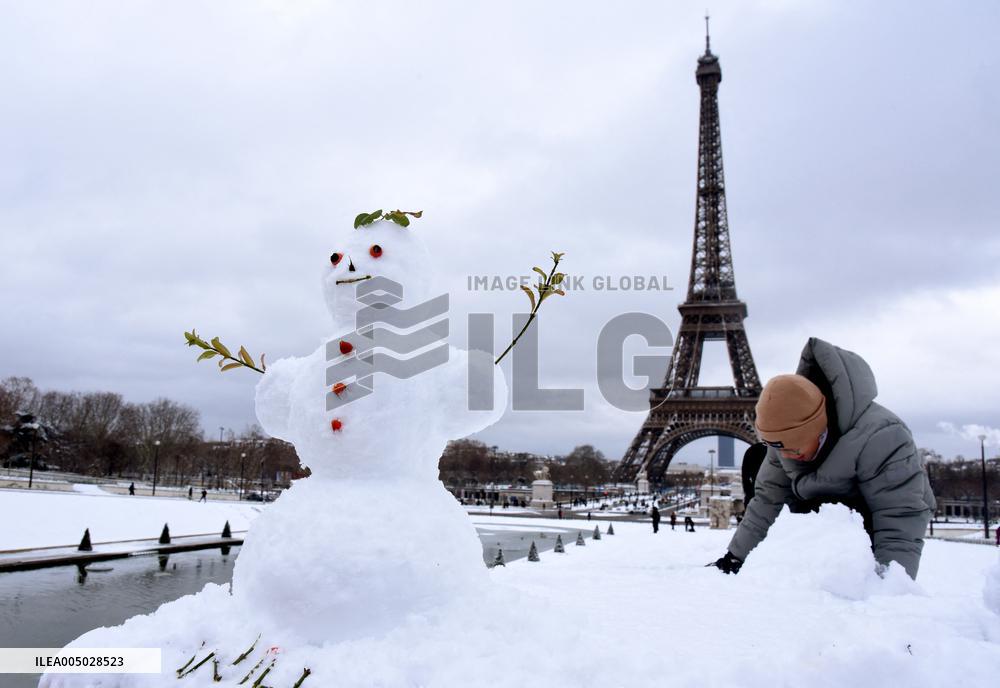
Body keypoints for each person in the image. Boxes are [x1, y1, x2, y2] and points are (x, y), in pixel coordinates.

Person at [710, 338, 935, 580]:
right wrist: (736, 556)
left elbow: (897, 517)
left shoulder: (883, 436)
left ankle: (850, 568)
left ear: (818, 428)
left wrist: (888, 583)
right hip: (819, 508)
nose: (786, 455)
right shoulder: (784, 440)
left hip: (867, 516)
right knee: (756, 456)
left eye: (794, 449)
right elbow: (767, 501)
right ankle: (787, 557)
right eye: (780, 448)